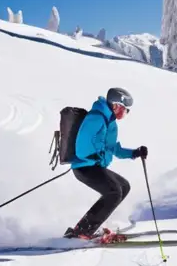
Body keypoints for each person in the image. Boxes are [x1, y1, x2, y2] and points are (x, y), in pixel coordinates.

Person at [63, 87, 148, 241]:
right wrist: (95, 155)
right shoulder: (96, 117)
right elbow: (81, 143)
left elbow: (113, 148)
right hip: (84, 166)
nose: (125, 113)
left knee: (123, 186)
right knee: (114, 192)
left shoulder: (110, 122)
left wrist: (134, 153)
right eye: (124, 109)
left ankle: (85, 227)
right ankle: (83, 230)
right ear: (115, 105)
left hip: (94, 166)